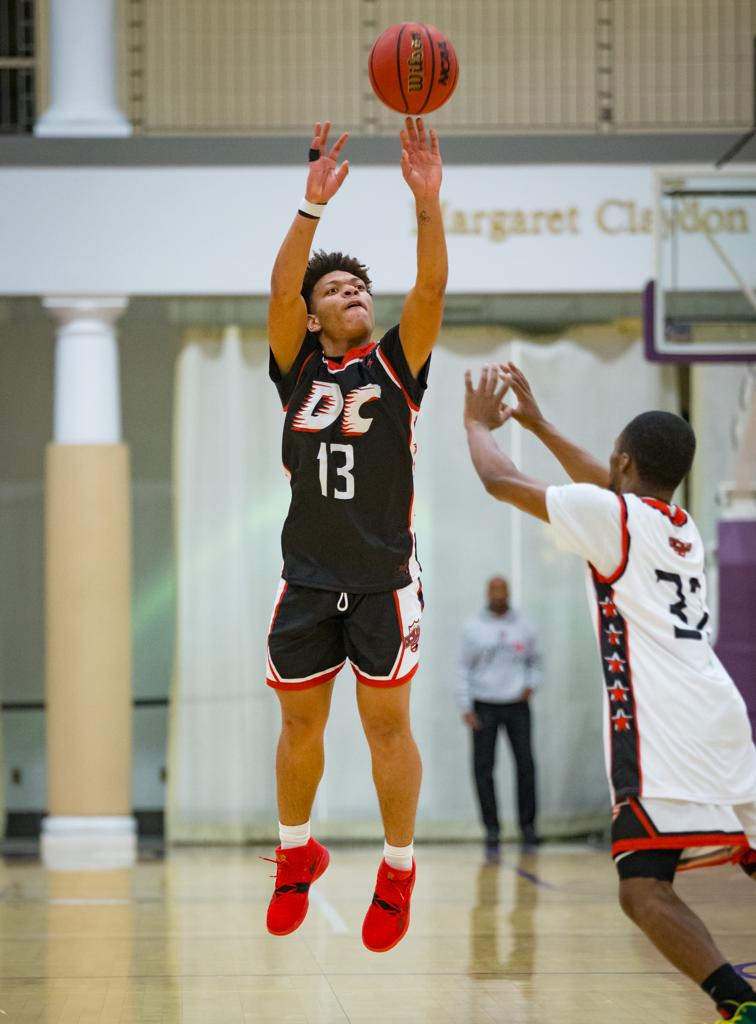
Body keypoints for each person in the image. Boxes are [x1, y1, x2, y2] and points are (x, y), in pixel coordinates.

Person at [462, 361, 756, 1022]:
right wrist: (536, 422)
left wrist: (478, 424)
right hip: (722, 713)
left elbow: (498, 478)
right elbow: (604, 485)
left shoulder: (618, 518)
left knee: (644, 887)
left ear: (624, 463)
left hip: (664, 728)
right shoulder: (674, 525)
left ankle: (738, 1004)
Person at [264, 118, 447, 953]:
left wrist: (427, 205)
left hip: (381, 580)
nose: (353, 295)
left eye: (358, 289)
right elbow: (277, 294)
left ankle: (398, 868)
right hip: (306, 577)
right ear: (309, 318)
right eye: (335, 290)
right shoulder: (297, 366)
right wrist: (311, 207)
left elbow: (430, 294)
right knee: (299, 729)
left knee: (385, 731)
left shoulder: (397, 366)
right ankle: (297, 854)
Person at [457, 575, 542, 860]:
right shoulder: (473, 628)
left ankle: (527, 826)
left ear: (508, 593)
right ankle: (491, 828)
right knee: (483, 768)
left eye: (502, 591)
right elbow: (463, 668)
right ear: (486, 593)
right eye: (493, 591)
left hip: (517, 704)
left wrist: (531, 684)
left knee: (525, 765)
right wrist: (465, 706)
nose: (498, 596)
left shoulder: (524, 627)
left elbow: (536, 661)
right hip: (484, 705)